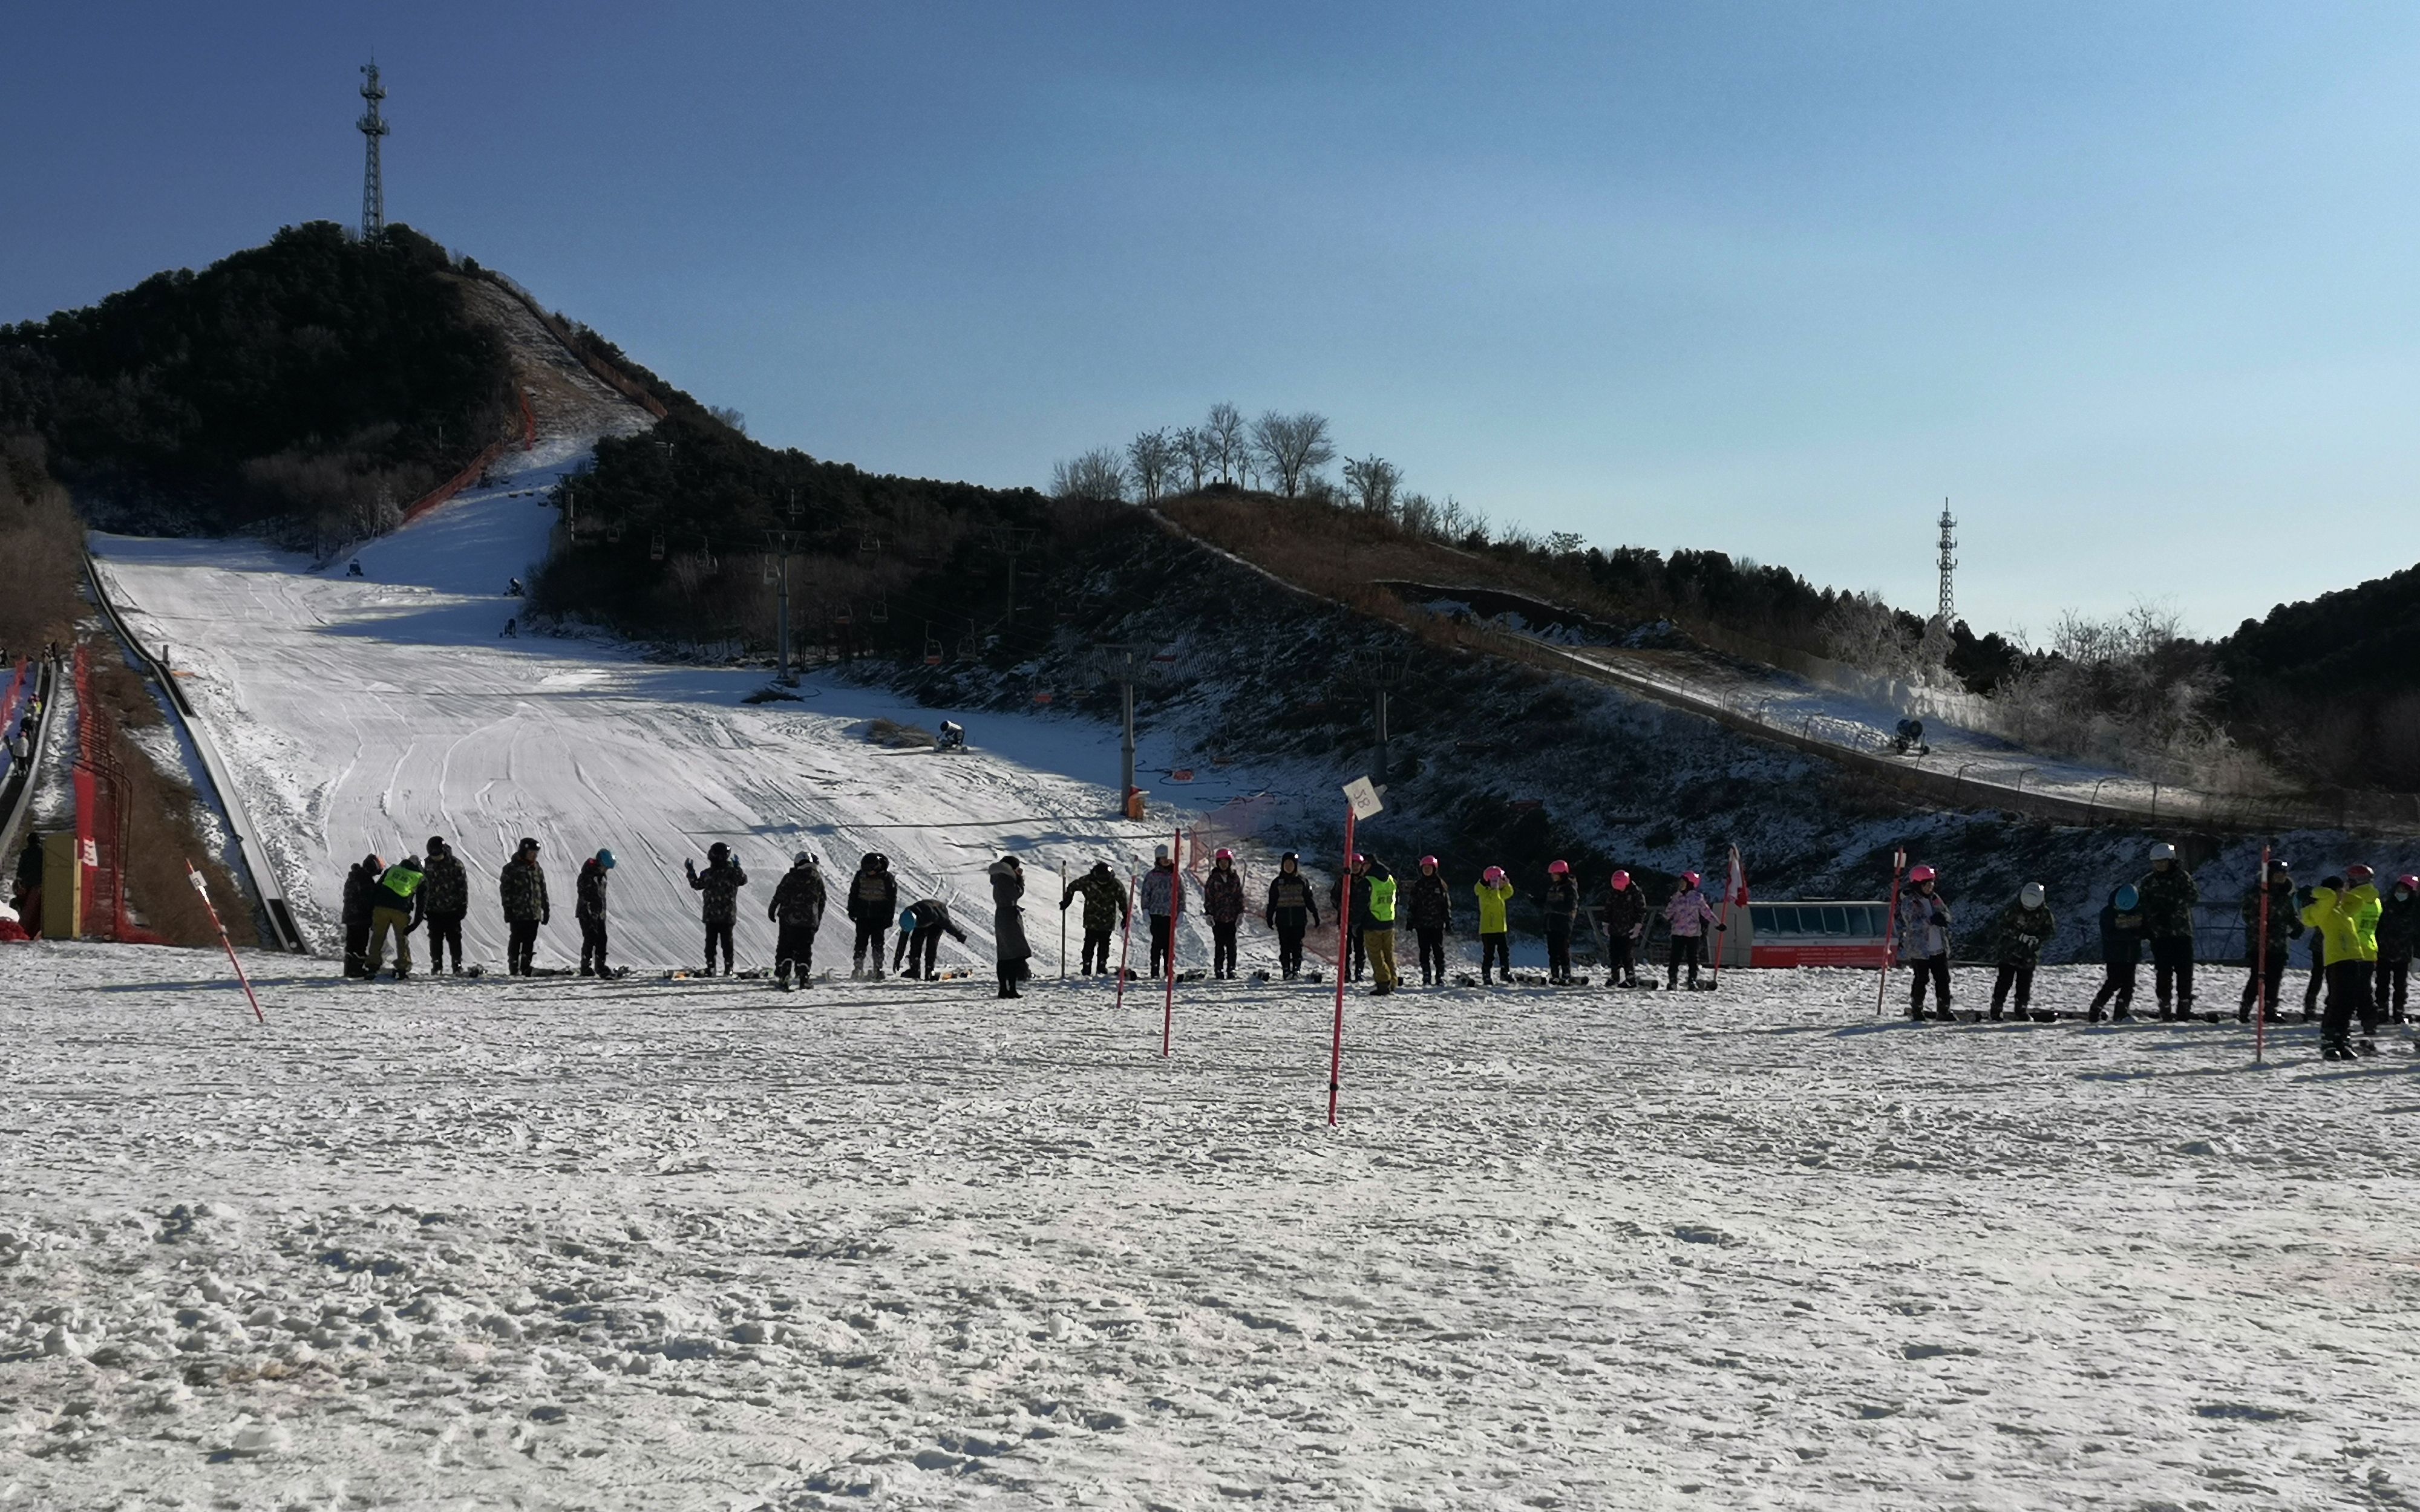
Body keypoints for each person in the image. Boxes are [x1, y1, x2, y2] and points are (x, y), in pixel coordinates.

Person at [2303, 865, 2382, 1060]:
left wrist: (2344, 894)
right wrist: (2330, 893)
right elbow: (2325, 902)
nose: (2342, 894)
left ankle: (2343, 1039)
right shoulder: (2324, 909)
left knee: (2349, 1002)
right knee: (2338, 1001)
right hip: (2337, 959)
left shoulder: (2342, 910)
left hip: (2353, 957)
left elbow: (2357, 901)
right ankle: (2329, 1040)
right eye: (2339, 891)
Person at [2138, 841, 2201, 1021]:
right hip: (2160, 934)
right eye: (2156, 863)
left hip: (2182, 933)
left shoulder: (2182, 877)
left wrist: (2174, 907)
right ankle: (2164, 1006)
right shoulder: (2149, 881)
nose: (2159, 865)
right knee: (2163, 972)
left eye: (2162, 862)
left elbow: (2193, 896)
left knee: (2185, 972)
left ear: (2171, 861)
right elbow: (2143, 904)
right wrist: (2149, 924)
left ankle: (2184, 1006)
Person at [2237, 863, 2300, 1024]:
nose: (2281, 877)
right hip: (2259, 943)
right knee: (2257, 977)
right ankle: (2245, 1009)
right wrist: (2263, 925)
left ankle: (2270, 1010)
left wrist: (2297, 927)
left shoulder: (2285, 896)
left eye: (2284, 874)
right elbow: (2248, 915)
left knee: (2275, 978)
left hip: (2278, 944)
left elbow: (2290, 915)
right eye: (2278, 874)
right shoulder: (2257, 893)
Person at [1988, 882, 2055, 1021]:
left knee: (2024, 983)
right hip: (2009, 952)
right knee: (2004, 981)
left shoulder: (2045, 913)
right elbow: (2002, 925)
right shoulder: (2013, 909)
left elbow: (2050, 932)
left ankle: (2021, 1009)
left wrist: (2037, 939)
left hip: (2029, 955)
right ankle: (1997, 1008)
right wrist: (2019, 936)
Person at [1894, 864, 1953, 1019]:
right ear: (1918, 885)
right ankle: (1917, 1010)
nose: (1930, 887)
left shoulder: (1935, 898)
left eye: (1932, 883)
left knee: (1943, 979)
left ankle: (1944, 1010)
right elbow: (1911, 924)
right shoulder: (1910, 902)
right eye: (1927, 884)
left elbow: (1946, 913)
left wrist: (1944, 918)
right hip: (1920, 950)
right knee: (1922, 980)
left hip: (1938, 947)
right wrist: (1930, 921)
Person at [685, 842, 749, 976]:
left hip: (711, 914)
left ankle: (711, 968)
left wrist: (691, 871)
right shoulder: (732, 873)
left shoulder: (708, 874)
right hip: (727, 914)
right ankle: (728, 967)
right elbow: (742, 880)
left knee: (711, 943)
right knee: (727, 942)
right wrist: (738, 868)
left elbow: (696, 885)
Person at [770, 852, 828, 988]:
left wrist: (772, 909)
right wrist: (817, 919)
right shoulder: (817, 879)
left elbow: (780, 894)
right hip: (808, 921)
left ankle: (784, 974)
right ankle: (804, 976)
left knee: (785, 946)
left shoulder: (791, 877)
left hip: (788, 918)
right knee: (805, 948)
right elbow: (822, 901)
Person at [364, 853, 427, 980]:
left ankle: (372, 966)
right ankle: (403, 968)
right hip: (401, 910)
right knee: (401, 939)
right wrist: (416, 922)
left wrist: (370, 908)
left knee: (378, 937)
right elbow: (422, 903)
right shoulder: (420, 878)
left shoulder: (393, 869)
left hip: (381, 907)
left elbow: (377, 888)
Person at [2090, 884, 2146, 1022]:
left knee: (2128, 985)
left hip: (2131, 955)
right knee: (2113, 982)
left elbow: (2146, 928)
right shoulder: (2108, 913)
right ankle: (2096, 1008)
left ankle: (2121, 1012)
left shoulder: (2139, 911)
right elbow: (2109, 935)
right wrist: (2132, 934)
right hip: (2114, 955)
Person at [1063, 861, 1129, 976]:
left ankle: (1101, 966)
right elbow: (1073, 886)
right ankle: (1087, 965)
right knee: (1089, 943)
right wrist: (1067, 899)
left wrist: (1126, 914)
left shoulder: (1115, 884)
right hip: (1091, 918)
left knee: (1104, 944)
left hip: (1107, 919)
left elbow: (1122, 899)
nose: (1102, 882)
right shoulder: (1088, 881)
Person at [1262, 853, 1319, 980]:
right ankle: (1286, 970)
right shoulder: (1277, 883)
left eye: (1291, 864)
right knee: (1285, 946)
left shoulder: (1302, 881)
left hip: (1299, 919)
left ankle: (1296, 969)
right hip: (1283, 920)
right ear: (1282, 865)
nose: (1289, 867)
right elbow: (1272, 901)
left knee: (1297, 946)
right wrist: (1269, 916)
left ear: (1295, 866)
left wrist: (1315, 913)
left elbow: (1309, 899)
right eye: (1286, 864)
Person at [499, 837, 550, 976]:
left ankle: (526, 965)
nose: (534, 855)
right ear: (523, 851)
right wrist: (508, 909)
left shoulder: (537, 868)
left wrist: (545, 908)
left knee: (530, 939)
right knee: (517, 938)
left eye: (536, 853)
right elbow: (505, 891)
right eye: (531, 852)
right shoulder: (511, 869)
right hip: (518, 912)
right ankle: (514, 965)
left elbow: (542, 889)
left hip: (534, 912)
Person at [421, 836, 470, 976]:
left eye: (438, 855)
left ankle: (457, 963)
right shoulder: (426, 865)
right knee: (435, 939)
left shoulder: (455, 864)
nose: (436, 858)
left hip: (452, 909)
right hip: (433, 910)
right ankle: (437, 964)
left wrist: (462, 907)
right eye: (434, 855)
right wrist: (423, 907)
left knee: (454, 938)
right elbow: (421, 887)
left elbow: (462, 888)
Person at [1664, 871, 1719, 991]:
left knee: (1693, 958)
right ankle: (1673, 980)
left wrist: (1717, 924)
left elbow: (1706, 912)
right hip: (1678, 933)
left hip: (1693, 934)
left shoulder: (1698, 898)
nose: (1680, 884)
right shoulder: (1676, 897)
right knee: (1675, 957)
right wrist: (1664, 918)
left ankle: (1692, 980)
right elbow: (1668, 912)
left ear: (1690, 883)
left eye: (1683, 882)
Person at [846, 853, 898, 979]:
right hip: (863, 915)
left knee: (878, 943)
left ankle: (878, 968)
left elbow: (891, 900)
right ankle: (858, 967)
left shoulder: (886, 878)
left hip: (879, 916)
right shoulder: (860, 876)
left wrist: (889, 917)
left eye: (871, 870)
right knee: (860, 942)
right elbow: (854, 893)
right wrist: (852, 910)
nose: (869, 873)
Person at [894, 896, 968, 980]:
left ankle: (930, 971)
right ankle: (914, 970)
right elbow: (903, 940)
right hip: (923, 919)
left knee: (932, 943)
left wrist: (959, 935)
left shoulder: (932, 913)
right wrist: (898, 958)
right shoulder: (907, 918)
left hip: (938, 915)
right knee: (915, 942)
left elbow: (947, 924)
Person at [2377, 874, 2418, 1025]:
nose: (2401, 891)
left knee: (2400, 986)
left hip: (2404, 953)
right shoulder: (2386, 904)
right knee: (2382, 983)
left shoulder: (2415, 908)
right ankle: (2382, 1010)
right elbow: (2378, 926)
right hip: (2384, 951)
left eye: (2405, 889)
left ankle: (2398, 1012)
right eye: (2399, 888)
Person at [1407, 856, 1452, 986]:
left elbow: (1446, 904)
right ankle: (1426, 973)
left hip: (1437, 924)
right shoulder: (1418, 885)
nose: (1427, 870)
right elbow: (1412, 904)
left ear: (1434, 869)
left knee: (1438, 950)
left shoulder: (1440, 885)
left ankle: (1440, 974)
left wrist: (1448, 921)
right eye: (1425, 868)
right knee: (1424, 949)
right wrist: (1410, 920)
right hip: (1422, 924)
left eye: (1429, 868)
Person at [990, 855, 1030, 998]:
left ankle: (1005, 988)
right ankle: (1010, 988)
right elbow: (1017, 893)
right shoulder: (1006, 878)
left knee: (1005, 954)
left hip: (1003, 915)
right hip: (1009, 916)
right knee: (1012, 954)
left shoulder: (998, 878)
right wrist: (1020, 880)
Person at [1204, 849, 1246, 979]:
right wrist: (1209, 914)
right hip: (1218, 917)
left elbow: (1239, 896)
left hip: (1232, 916)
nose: (1223, 864)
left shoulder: (1234, 878)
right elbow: (1209, 897)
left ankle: (1231, 968)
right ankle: (1219, 968)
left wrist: (1240, 913)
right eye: (1221, 862)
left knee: (1231, 944)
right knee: (1219, 944)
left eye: (1226, 862)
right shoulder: (1213, 879)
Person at [1359, 855, 1399, 996]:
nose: (1361, 868)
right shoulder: (1390, 879)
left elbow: (1361, 905)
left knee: (1376, 955)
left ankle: (1383, 983)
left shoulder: (1368, 882)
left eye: (1363, 865)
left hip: (1373, 922)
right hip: (1389, 920)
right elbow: (1396, 899)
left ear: (1369, 865)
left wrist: (1357, 922)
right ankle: (1393, 981)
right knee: (1389, 954)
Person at [1142, 845, 1182, 979]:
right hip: (1156, 913)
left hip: (1171, 914)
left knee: (1169, 943)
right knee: (1157, 942)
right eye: (1162, 858)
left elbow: (1181, 893)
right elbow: (1146, 893)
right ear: (1158, 859)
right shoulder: (1152, 876)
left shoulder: (1176, 875)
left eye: (1168, 858)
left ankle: (1168, 968)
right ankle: (1155, 968)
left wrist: (1182, 911)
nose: (1165, 861)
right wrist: (1145, 910)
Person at [341, 852, 383, 979]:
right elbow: (369, 899)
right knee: (360, 944)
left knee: (351, 943)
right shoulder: (365, 880)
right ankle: (356, 969)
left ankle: (349, 969)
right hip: (361, 917)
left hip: (350, 916)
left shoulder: (354, 876)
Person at [576, 849, 616, 976]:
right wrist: (590, 910)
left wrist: (601, 912)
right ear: (599, 864)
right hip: (587, 913)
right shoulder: (587, 875)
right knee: (590, 938)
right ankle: (586, 966)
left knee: (602, 938)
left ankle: (600, 965)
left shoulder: (601, 877)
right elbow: (585, 894)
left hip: (599, 914)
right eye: (605, 867)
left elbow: (601, 896)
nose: (606, 870)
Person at [1603, 870, 1646, 988]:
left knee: (1627, 955)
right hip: (1615, 929)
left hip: (1629, 930)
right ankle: (1614, 976)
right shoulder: (1613, 893)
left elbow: (1641, 910)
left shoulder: (1635, 893)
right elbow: (1608, 908)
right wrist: (1606, 923)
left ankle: (1630, 978)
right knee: (1614, 954)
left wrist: (1638, 925)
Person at [1541, 860, 1581, 985]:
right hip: (1551, 923)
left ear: (1561, 874)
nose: (1552, 876)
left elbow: (1570, 906)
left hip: (1563, 924)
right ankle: (1555, 974)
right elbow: (1546, 903)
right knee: (1552, 950)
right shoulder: (1553, 888)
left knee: (1562, 949)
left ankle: (1566, 973)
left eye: (1554, 874)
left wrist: (1553, 908)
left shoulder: (1570, 888)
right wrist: (1535, 901)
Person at [1474, 865, 1515, 985]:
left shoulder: (1499, 893)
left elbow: (1509, 893)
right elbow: (1493, 900)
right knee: (1489, 953)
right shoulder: (1484, 893)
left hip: (1501, 928)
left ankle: (1505, 972)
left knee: (1504, 952)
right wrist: (1495, 889)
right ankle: (1486, 973)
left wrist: (1507, 884)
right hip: (1488, 928)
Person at [1329, 859, 1368, 981]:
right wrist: (1341, 906)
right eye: (1353, 865)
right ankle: (1345, 972)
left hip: (1361, 920)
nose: (1355, 867)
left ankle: (1359, 971)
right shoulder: (1343, 880)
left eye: (1358, 865)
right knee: (1345, 949)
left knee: (1360, 948)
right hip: (1345, 920)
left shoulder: (1366, 882)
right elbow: (1334, 896)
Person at [8, 835, 42, 940]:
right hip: (40, 884)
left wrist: (20, 880)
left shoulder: (26, 853)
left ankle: (26, 929)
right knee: (38, 910)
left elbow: (21, 870)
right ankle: (35, 930)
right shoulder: (43, 852)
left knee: (26, 908)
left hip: (27, 884)